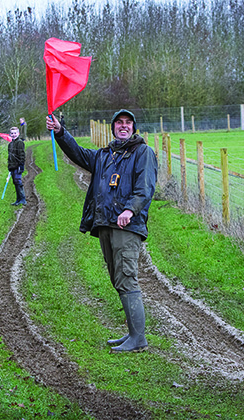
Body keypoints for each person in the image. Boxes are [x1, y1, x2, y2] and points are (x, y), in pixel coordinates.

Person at [45, 110, 158, 353]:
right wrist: (60, 132)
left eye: (128, 123)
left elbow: (145, 188)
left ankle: (138, 338)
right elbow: (79, 154)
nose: (123, 127)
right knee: (117, 279)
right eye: (119, 123)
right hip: (105, 224)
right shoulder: (106, 155)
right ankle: (131, 334)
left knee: (127, 278)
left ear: (134, 127)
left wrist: (130, 210)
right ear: (113, 127)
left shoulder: (143, 153)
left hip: (126, 225)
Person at [7, 126, 26, 206]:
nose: (13, 134)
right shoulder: (10, 144)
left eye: (15, 133)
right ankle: (18, 200)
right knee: (15, 182)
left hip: (18, 165)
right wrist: (9, 166)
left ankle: (23, 199)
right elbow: (9, 156)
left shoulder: (20, 143)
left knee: (18, 181)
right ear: (10, 134)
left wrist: (21, 165)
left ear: (18, 133)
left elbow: (22, 154)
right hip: (12, 166)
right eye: (12, 133)